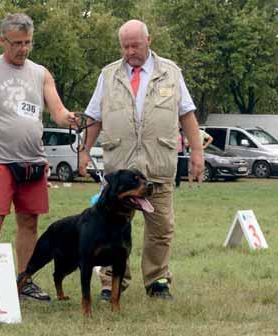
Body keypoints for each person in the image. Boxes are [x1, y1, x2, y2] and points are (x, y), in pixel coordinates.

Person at [79, 19, 204, 300]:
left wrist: (197, 152)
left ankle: (157, 281)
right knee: (106, 228)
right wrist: (84, 150)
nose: (130, 51)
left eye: (135, 45)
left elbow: (187, 115)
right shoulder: (108, 75)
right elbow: (93, 117)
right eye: (125, 46)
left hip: (157, 167)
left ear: (149, 41)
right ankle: (110, 282)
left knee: (160, 228)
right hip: (119, 170)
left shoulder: (170, 73)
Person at [0, 13, 77, 301]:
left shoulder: (40, 73)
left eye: (28, 43)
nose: (23, 49)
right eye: (17, 43)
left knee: (29, 223)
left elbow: (57, 110)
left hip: (33, 162)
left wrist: (69, 118)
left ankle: (24, 282)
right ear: (2, 40)